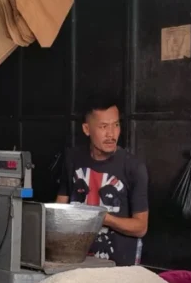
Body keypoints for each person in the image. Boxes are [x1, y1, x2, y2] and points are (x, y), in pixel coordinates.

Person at [55, 96, 148, 265]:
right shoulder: (72, 159)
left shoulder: (134, 167)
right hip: (77, 261)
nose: (111, 134)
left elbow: (141, 227)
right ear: (86, 128)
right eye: (103, 126)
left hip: (119, 267)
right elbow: (60, 208)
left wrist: (101, 218)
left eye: (116, 125)